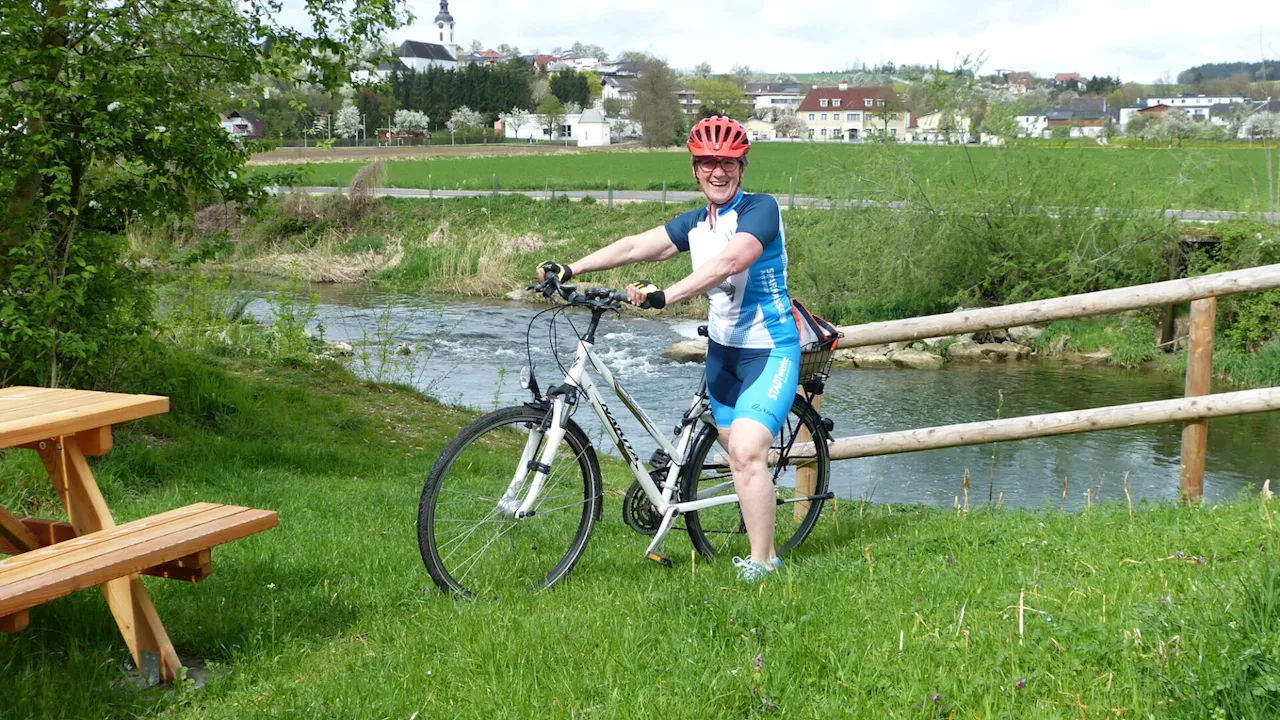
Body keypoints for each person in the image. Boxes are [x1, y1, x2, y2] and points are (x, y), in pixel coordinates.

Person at [537, 116, 800, 583]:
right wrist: (571, 268)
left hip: (770, 351)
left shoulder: (761, 209)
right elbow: (639, 245)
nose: (717, 172)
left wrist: (665, 296)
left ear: (742, 166)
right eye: (707, 163)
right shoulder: (697, 222)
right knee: (731, 451)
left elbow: (730, 261)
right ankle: (737, 508)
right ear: (695, 169)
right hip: (723, 354)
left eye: (727, 163)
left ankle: (764, 562)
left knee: (745, 451)